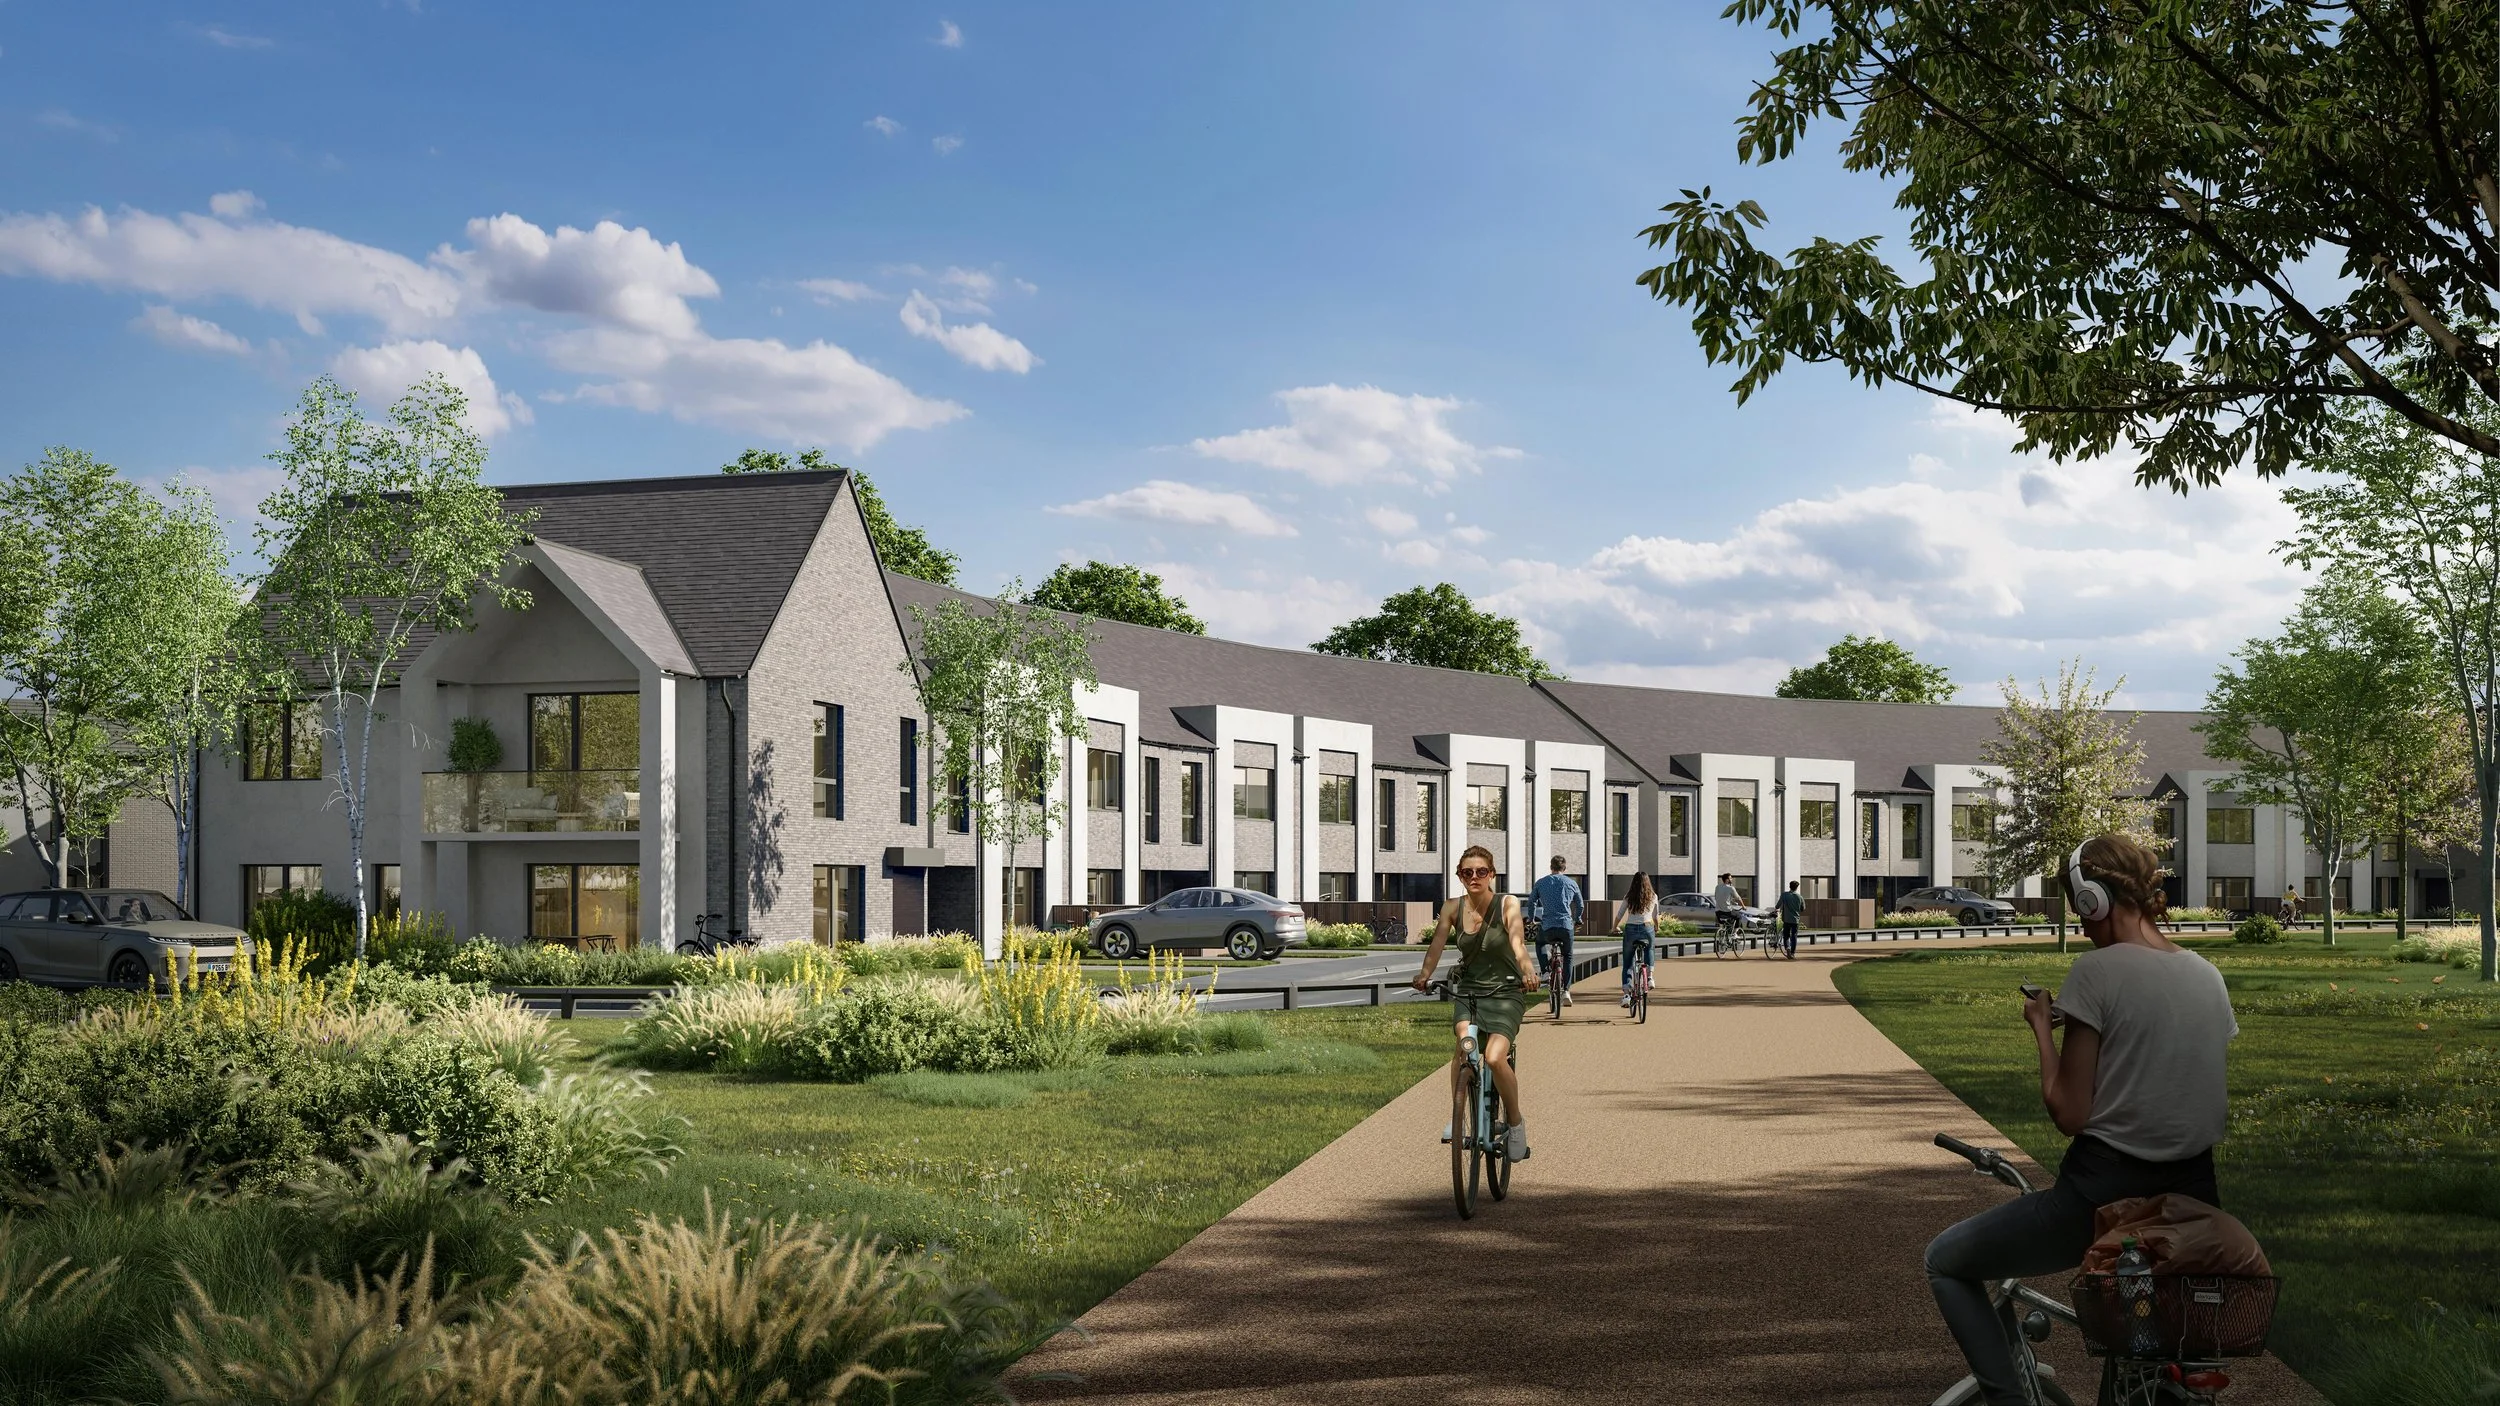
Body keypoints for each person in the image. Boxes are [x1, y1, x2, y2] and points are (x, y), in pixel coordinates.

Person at [1924, 832, 2237, 1406]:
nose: (2079, 917)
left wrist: (2043, 1028)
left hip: (2103, 1198)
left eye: (2077, 903)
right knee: (2140, 1340)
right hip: (2194, 1201)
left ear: (2093, 898)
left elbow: (2069, 1112)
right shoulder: (2208, 976)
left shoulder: (2098, 972)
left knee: (1946, 1260)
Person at [1413, 844, 1541, 1161]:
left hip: (1506, 990)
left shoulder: (1507, 904)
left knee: (1495, 1057)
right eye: (1467, 872)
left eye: (1481, 871)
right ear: (1460, 876)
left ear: (1492, 874)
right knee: (1463, 1046)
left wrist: (1528, 971)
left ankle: (1515, 1122)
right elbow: (1437, 945)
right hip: (1469, 990)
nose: (1474, 877)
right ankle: (1459, 1116)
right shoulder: (1452, 908)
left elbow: (1517, 941)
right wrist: (1424, 974)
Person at [1531, 856, 1585, 1007]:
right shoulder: (1571, 883)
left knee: (1540, 943)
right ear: (1564, 868)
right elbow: (1580, 904)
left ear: (1551, 867)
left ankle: (1546, 972)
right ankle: (1566, 991)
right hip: (1566, 926)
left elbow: (1531, 902)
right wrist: (1578, 918)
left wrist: (1531, 918)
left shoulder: (1541, 882)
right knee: (1567, 955)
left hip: (1547, 926)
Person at [1618, 871, 1658, 1008]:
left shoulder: (1629, 896)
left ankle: (1627, 994)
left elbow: (1620, 914)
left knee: (1628, 962)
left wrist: (1613, 927)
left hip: (1631, 930)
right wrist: (1656, 927)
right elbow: (1655, 917)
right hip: (1647, 928)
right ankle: (1650, 977)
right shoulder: (1653, 896)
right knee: (1650, 949)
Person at [1711, 872, 1743, 946]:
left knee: (1723, 924)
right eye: (1730, 878)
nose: (1731, 879)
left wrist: (1730, 901)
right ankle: (1734, 934)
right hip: (1727, 911)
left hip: (1718, 912)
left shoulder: (1717, 887)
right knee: (1738, 916)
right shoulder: (1731, 888)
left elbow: (1717, 897)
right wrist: (1743, 906)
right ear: (1727, 880)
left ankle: (1723, 937)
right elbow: (1738, 898)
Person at [1775, 879, 1804, 959]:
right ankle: (1792, 953)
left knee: (1786, 935)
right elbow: (1803, 908)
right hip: (1795, 920)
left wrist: (1778, 908)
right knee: (1794, 936)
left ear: (1789, 886)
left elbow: (1777, 905)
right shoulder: (1800, 897)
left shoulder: (1784, 895)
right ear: (1797, 888)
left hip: (1786, 919)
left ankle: (1787, 948)